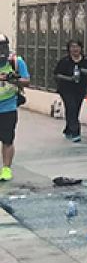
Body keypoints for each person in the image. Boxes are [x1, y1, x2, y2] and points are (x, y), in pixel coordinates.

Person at [0, 35, 30, 182]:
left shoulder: (16, 62)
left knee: (7, 139)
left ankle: (6, 168)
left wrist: (13, 79)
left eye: (3, 46)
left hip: (8, 107)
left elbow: (26, 81)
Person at [54, 39, 87, 142]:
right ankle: (76, 132)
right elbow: (57, 74)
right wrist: (69, 78)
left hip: (80, 89)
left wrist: (85, 71)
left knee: (75, 110)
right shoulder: (65, 61)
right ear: (69, 49)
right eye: (72, 47)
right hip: (66, 89)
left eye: (77, 46)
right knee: (71, 107)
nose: (75, 49)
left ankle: (68, 129)